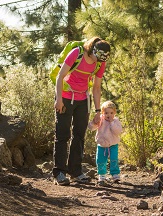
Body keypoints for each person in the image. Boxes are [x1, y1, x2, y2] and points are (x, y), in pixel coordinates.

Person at [53, 37, 111, 186]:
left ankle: (76, 172)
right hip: (65, 96)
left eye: (102, 59)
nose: (99, 61)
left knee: (79, 135)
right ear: (92, 50)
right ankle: (59, 172)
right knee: (62, 134)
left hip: (83, 99)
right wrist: (58, 99)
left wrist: (98, 111)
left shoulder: (100, 63)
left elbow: (96, 87)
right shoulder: (76, 53)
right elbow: (60, 76)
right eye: (97, 57)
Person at [88, 100, 123, 184]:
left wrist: (112, 123)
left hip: (113, 145)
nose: (109, 115)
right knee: (100, 160)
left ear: (114, 113)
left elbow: (118, 132)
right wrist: (93, 122)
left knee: (114, 160)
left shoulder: (115, 121)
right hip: (102, 145)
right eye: (106, 113)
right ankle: (102, 175)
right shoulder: (101, 120)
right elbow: (91, 128)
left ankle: (115, 175)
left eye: (111, 113)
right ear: (102, 113)